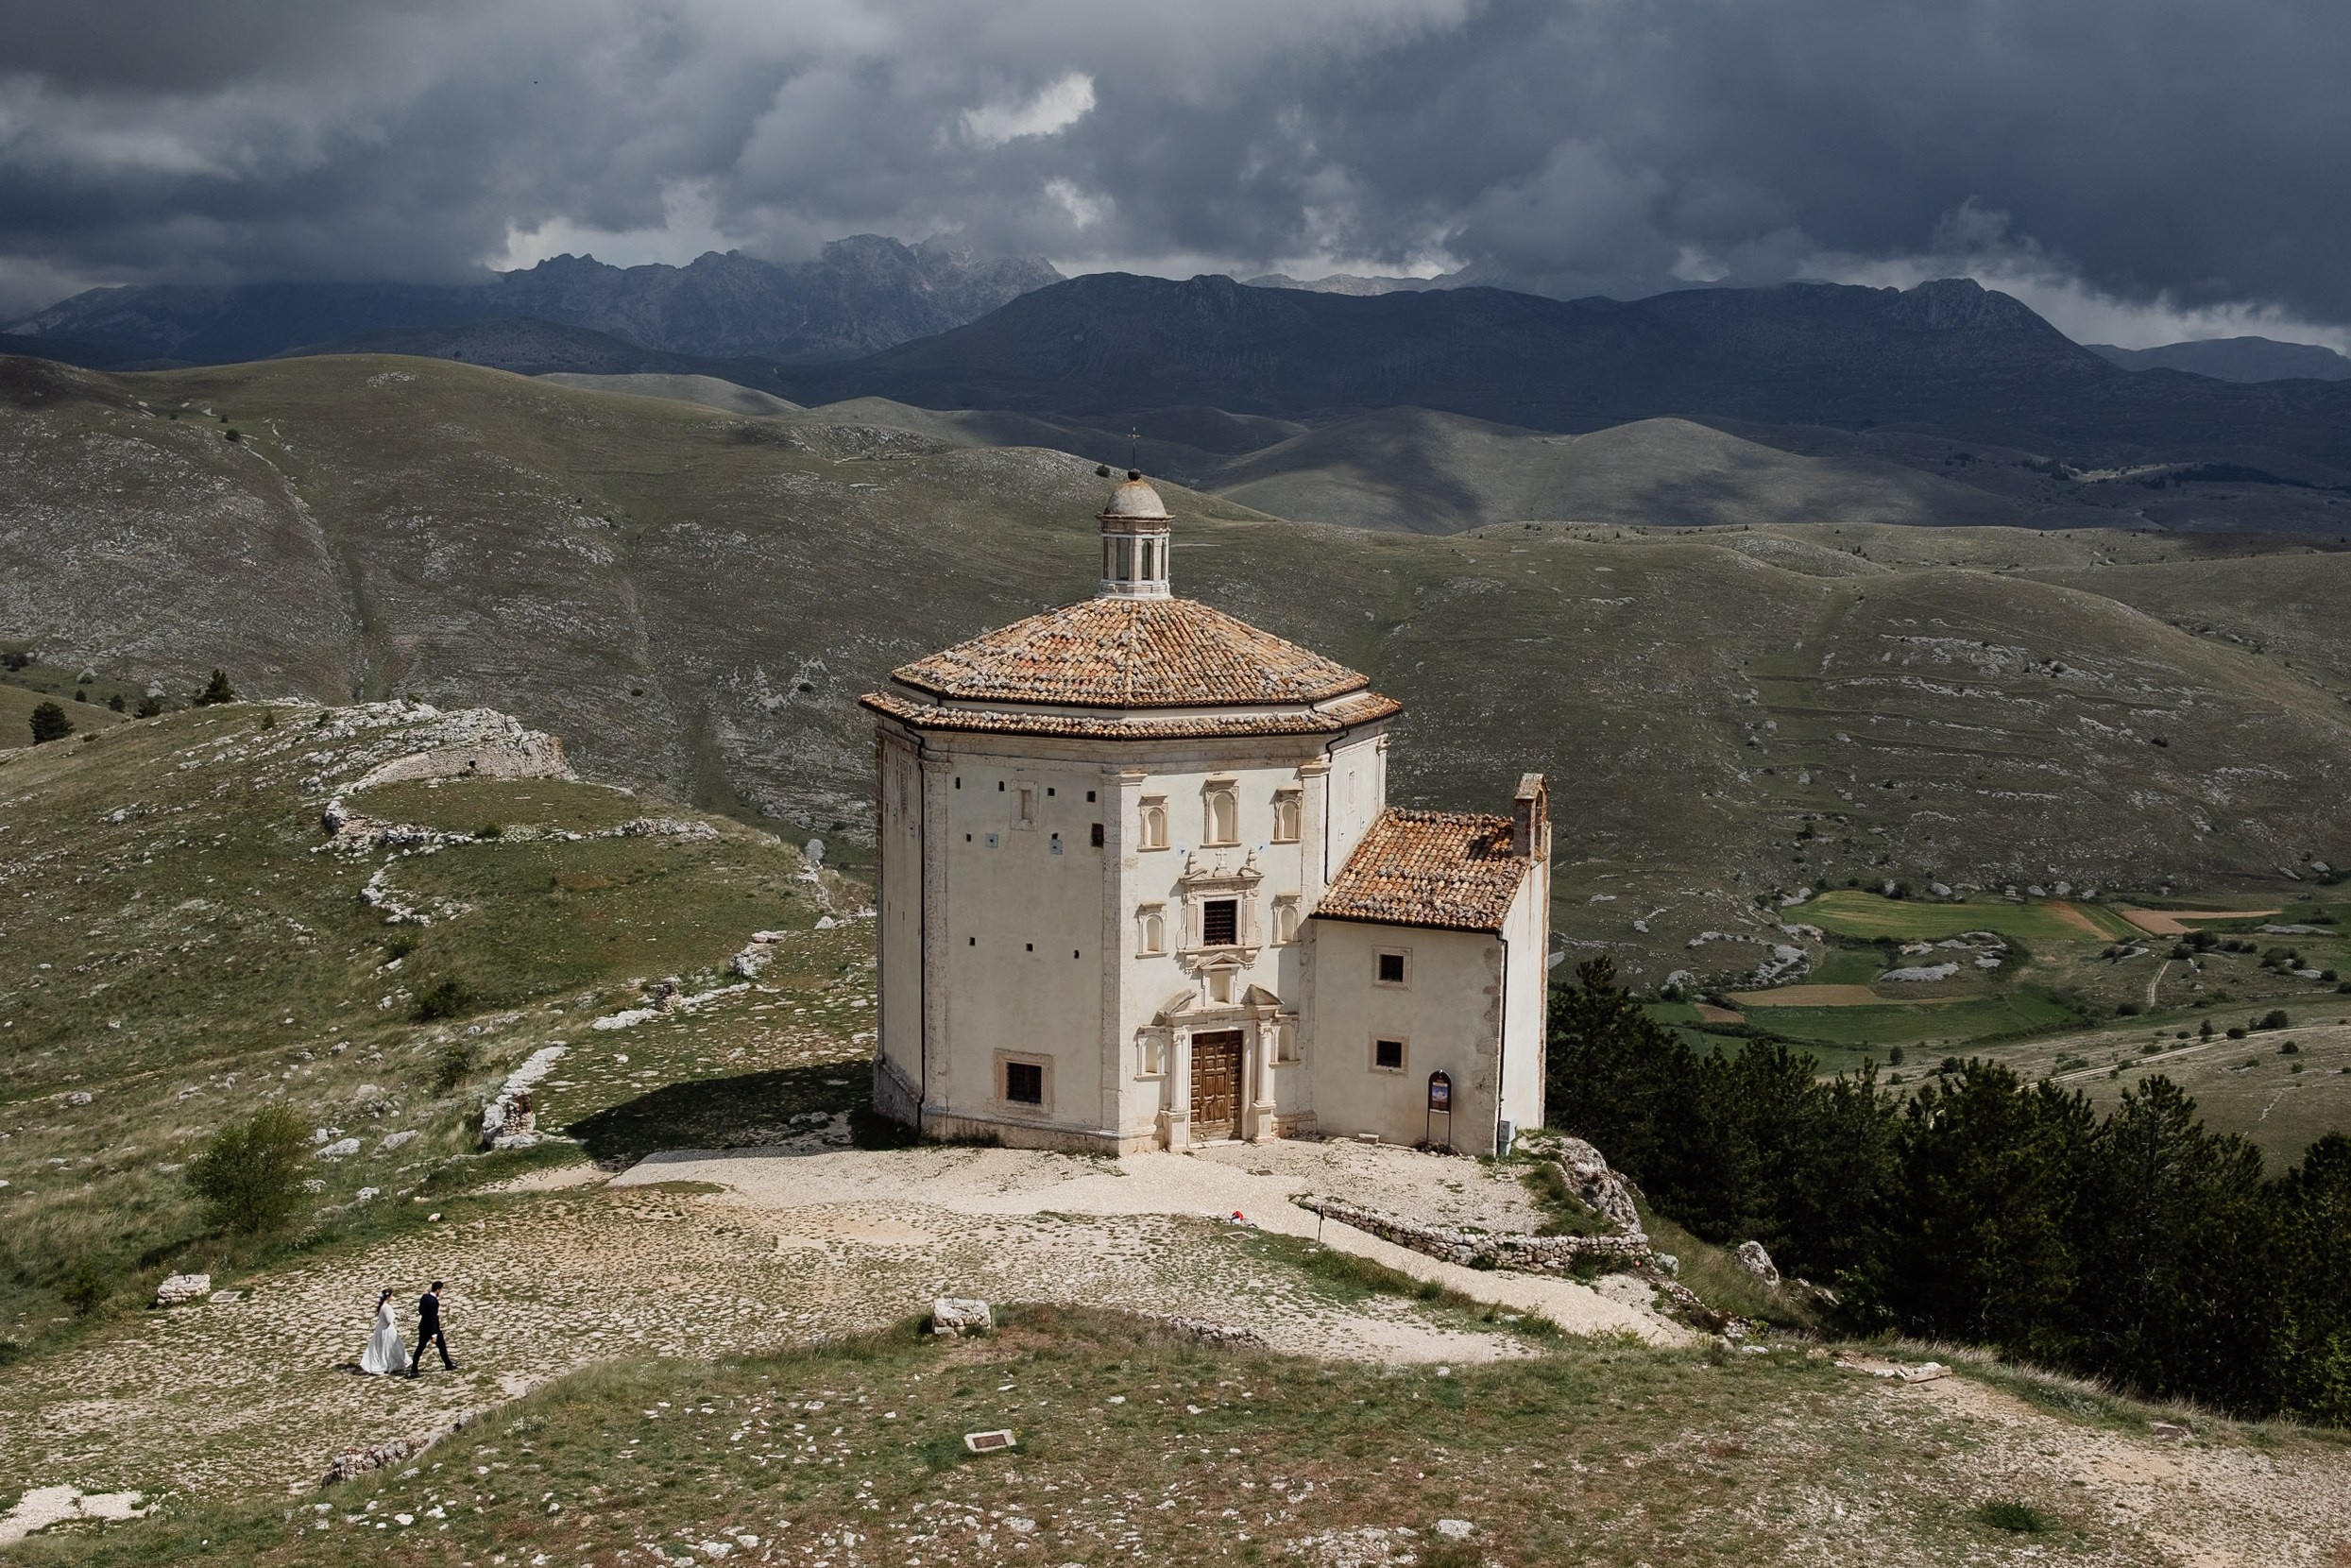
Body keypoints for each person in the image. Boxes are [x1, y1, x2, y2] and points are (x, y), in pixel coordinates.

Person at [408, 1280, 457, 1376]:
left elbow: (421, 1311)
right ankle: (448, 1364)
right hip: (432, 1329)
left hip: (423, 1327)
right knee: (442, 1346)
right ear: (438, 1290)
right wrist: (434, 1334)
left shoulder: (424, 1297)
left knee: (420, 1348)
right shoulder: (434, 1302)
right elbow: (433, 1318)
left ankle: (414, 1369)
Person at [359, 1287, 408, 1375]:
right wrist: (395, 1316)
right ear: (388, 1297)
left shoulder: (383, 1306)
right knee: (390, 1347)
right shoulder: (386, 1307)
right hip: (387, 1330)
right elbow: (389, 1320)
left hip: (381, 1328)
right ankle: (390, 1364)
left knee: (385, 1347)